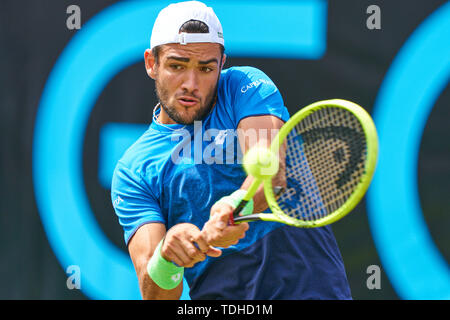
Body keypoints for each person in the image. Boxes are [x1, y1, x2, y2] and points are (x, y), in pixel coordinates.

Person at [111, 0, 352, 300]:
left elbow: (270, 171)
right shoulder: (134, 170)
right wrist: (168, 257)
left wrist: (236, 205)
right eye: (177, 65)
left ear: (222, 64)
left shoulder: (245, 86)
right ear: (151, 63)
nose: (191, 83)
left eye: (205, 68)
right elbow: (156, 294)